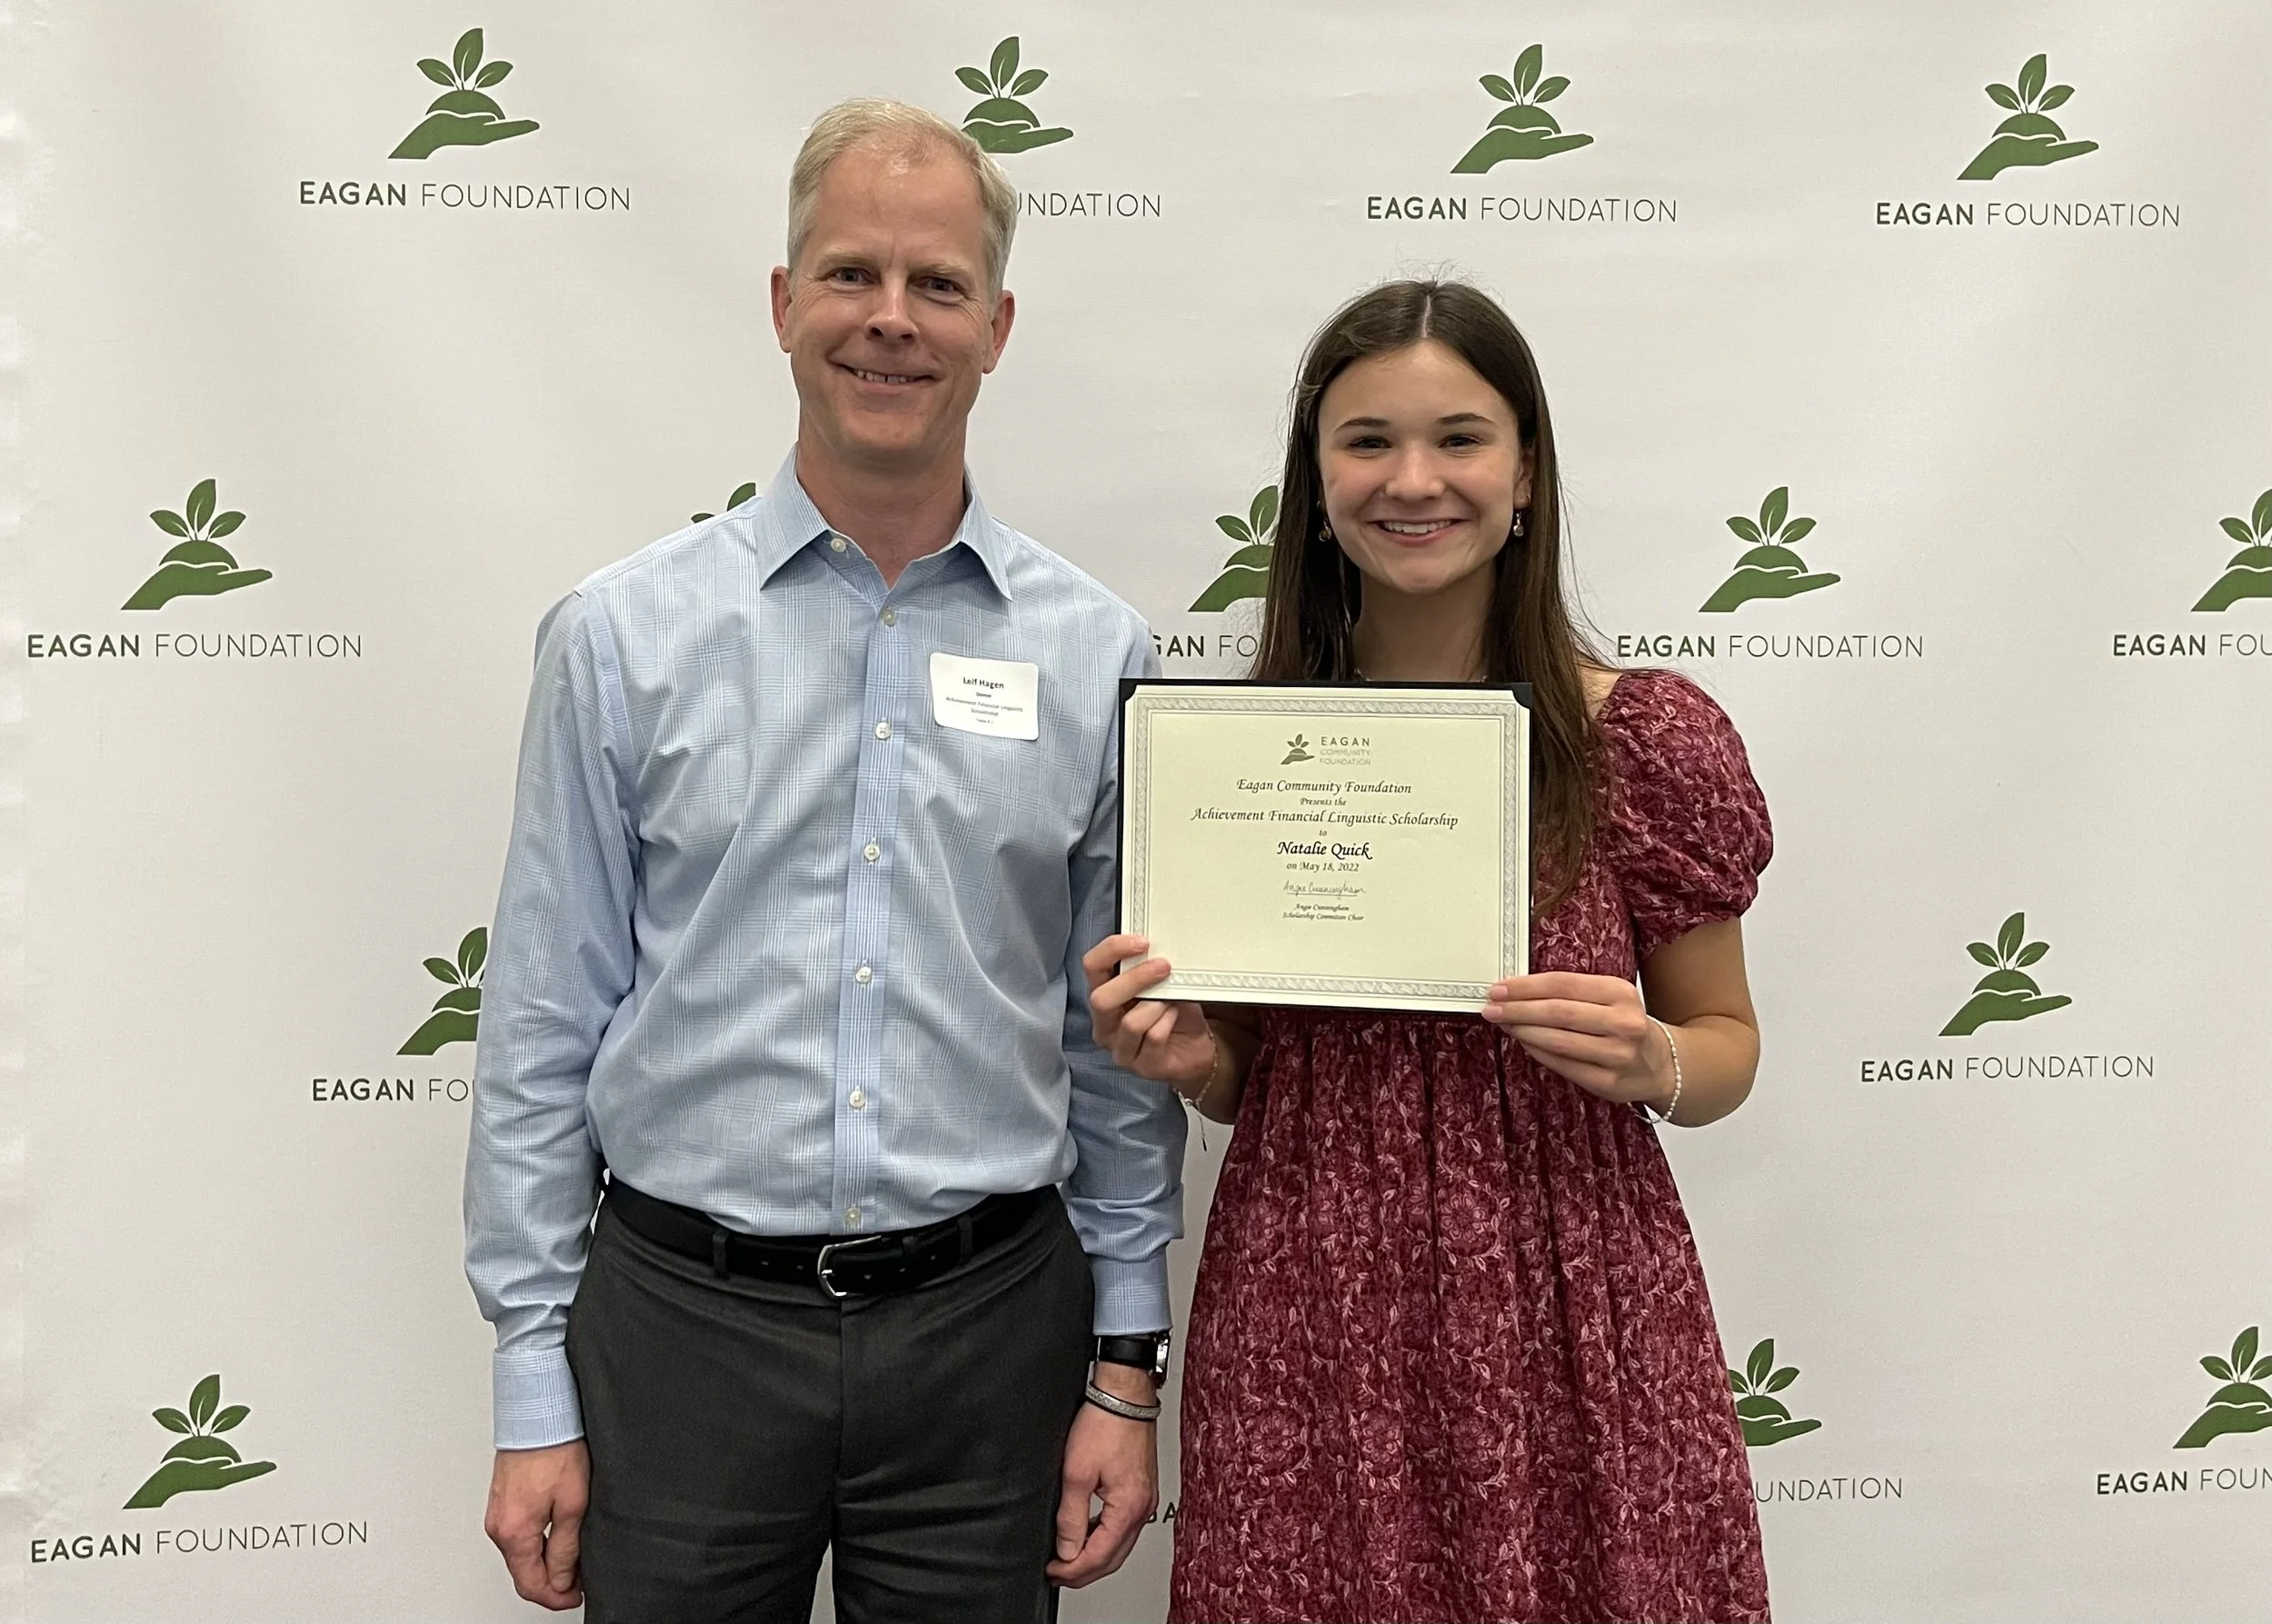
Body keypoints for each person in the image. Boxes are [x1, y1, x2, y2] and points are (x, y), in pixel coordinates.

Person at [464, 98, 1185, 1624]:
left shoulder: (1097, 654)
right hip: (681, 1334)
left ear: (997, 327)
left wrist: (1127, 1359)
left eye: (938, 285)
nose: (891, 319)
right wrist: (531, 1372)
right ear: (784, 303)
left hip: (990, 1338)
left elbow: (1114, 1045)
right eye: (852, 273)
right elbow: (539, 1026)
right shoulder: (621, 637)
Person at [1085, 280, 1775, 1623]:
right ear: (1317, 482)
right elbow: (1253, 1076)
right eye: (1368, 442)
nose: (1414, 480)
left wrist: (1656, 1061)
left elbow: (1727, 1046)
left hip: (1572, 1299)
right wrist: (1190, 1059)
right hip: (1307, 1306)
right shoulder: (1247, 759)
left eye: (1460, 438)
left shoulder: (1642, 740)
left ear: (1527, 473)